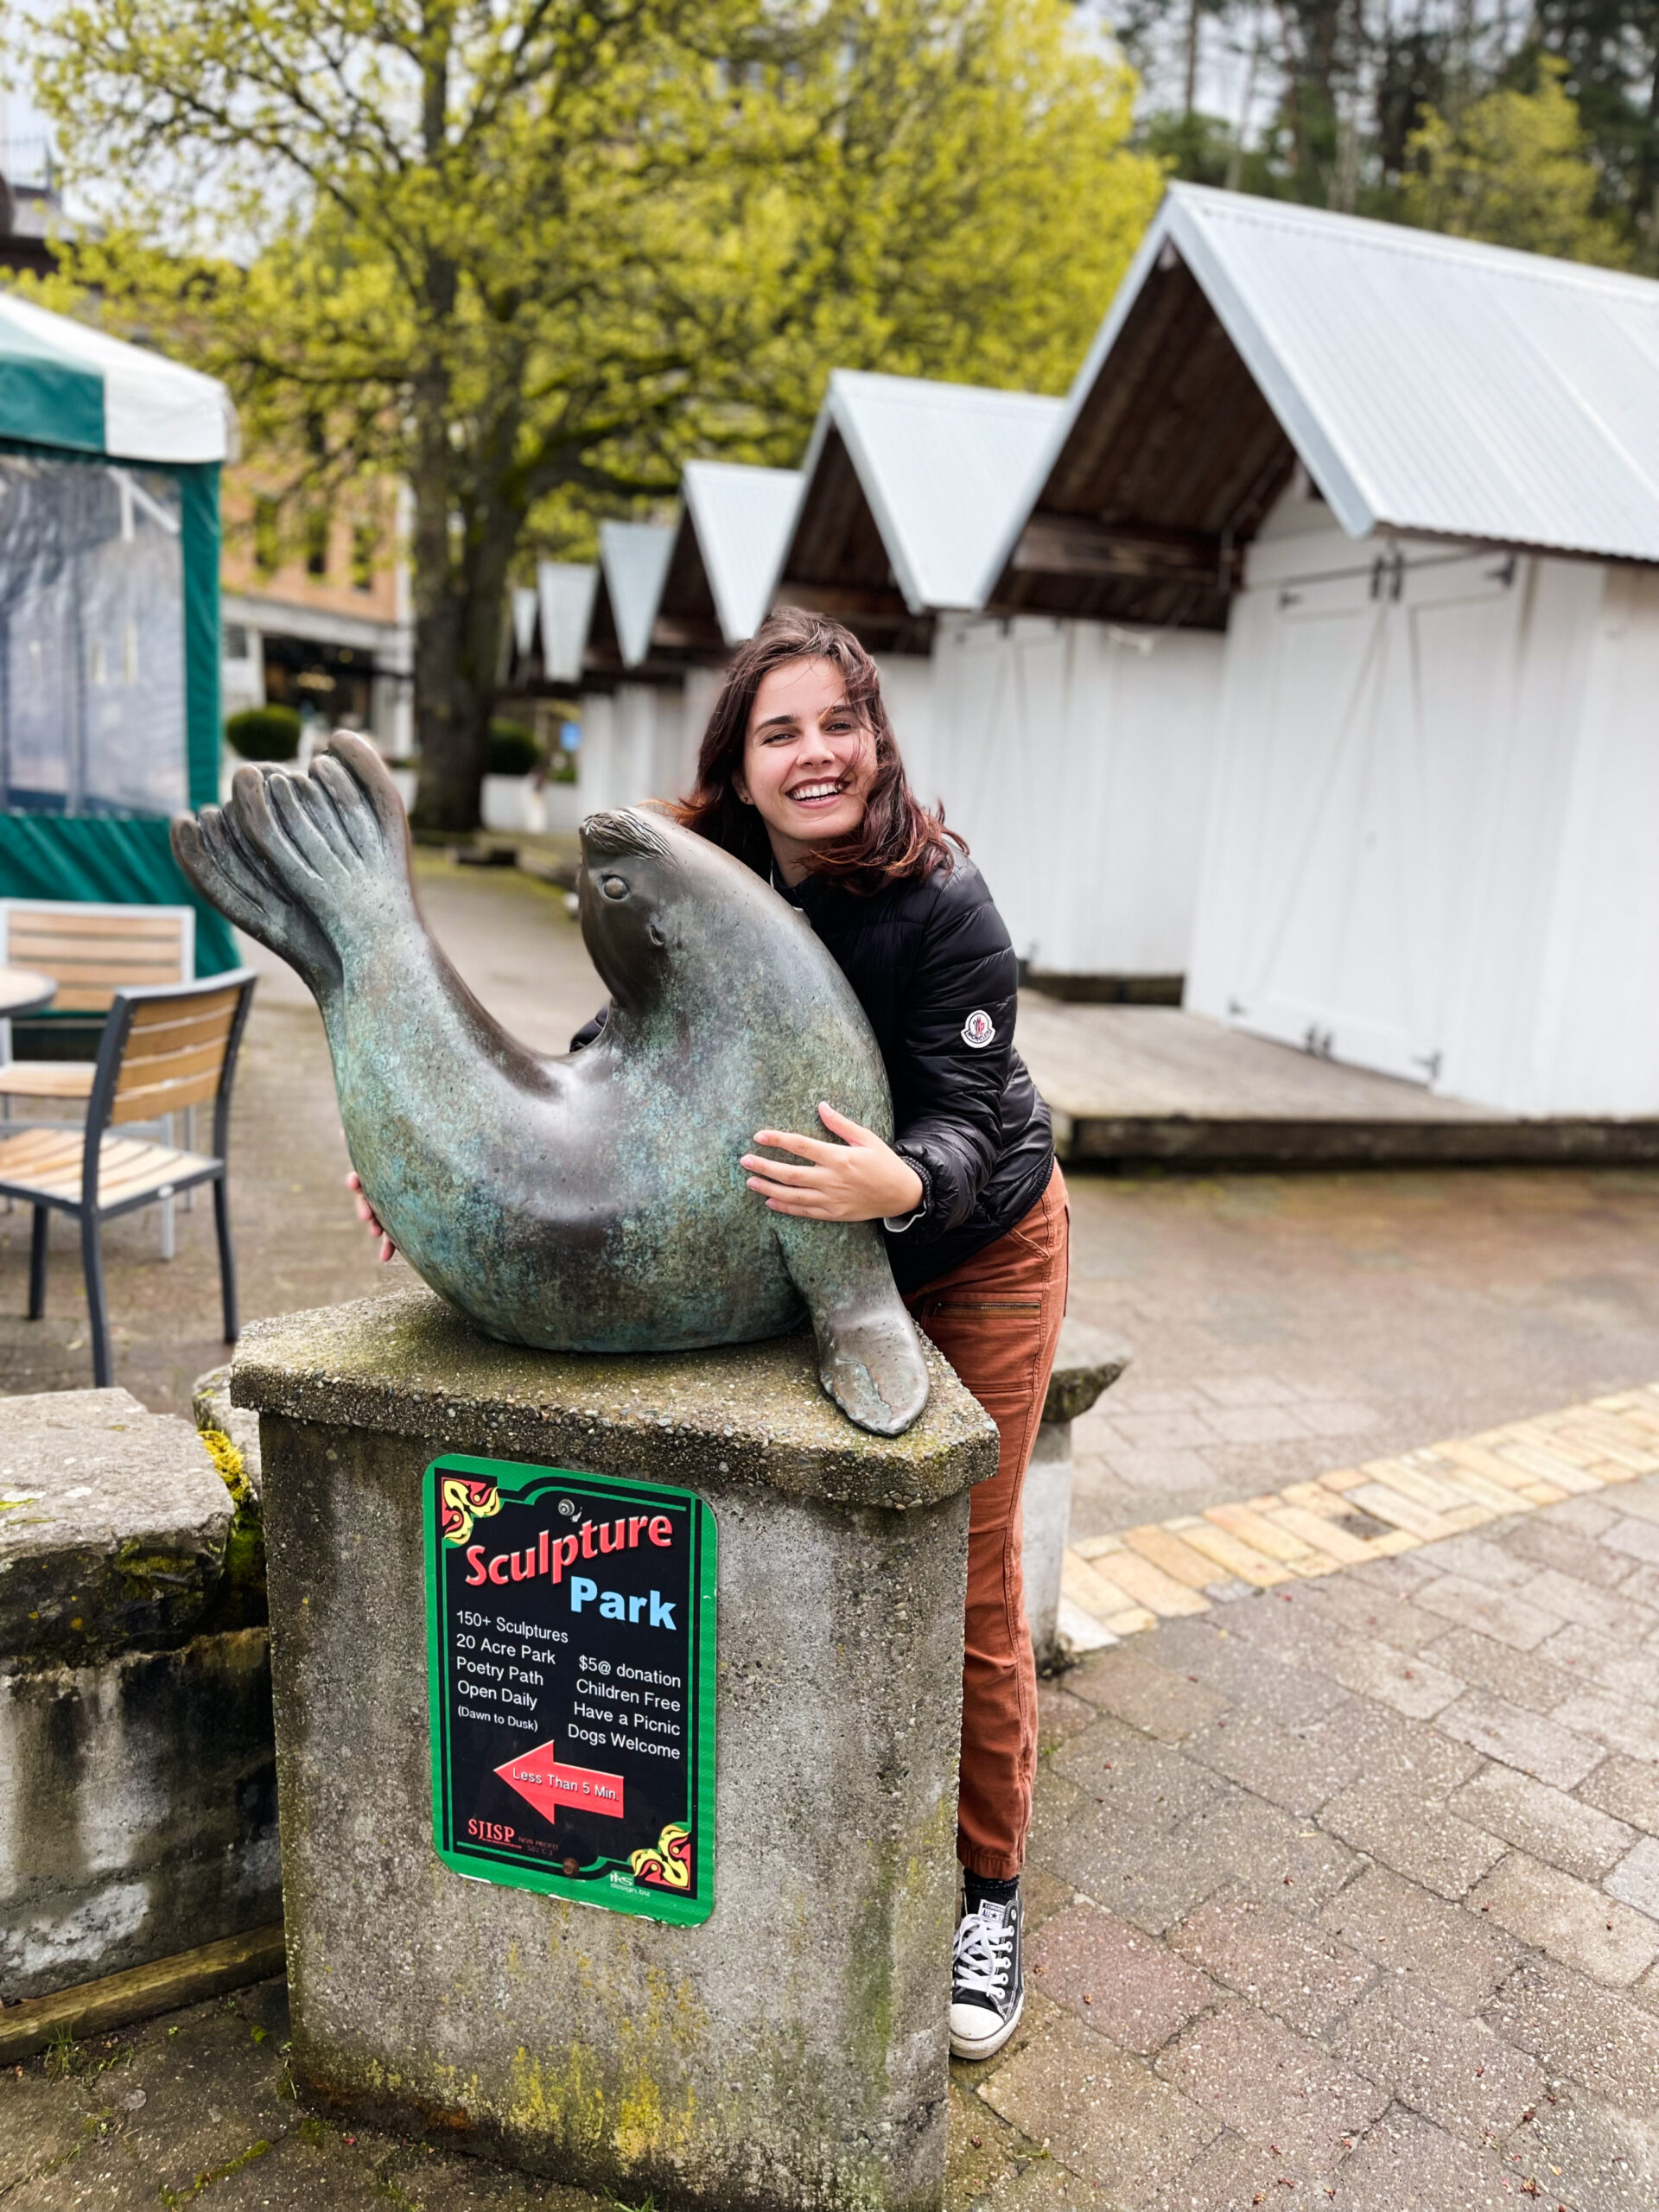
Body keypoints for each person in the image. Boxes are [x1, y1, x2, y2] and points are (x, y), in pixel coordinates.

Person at [350, 607, 1066, 2061]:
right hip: (785, 1241)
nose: (817, 755)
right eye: (780, 732)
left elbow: (976, 1117)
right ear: (739, 765)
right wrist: (467, 1181)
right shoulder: (699, 873)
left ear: (877, 738)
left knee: (972, 1570)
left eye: (839, 724)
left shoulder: (942, 898)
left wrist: (901, 1185)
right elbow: (623, 1049)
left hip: (969, 1249)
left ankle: (986, 1890)